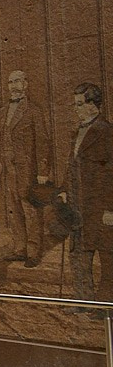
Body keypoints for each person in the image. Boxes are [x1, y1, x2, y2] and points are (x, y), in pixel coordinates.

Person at [60, 82, 113, 300]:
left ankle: (105, 306)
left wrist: (110, 208)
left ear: (93, 105)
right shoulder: (77, 132)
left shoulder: (106, 132)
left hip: (99, 208)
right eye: (75, 104)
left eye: (80, 104)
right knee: (79, 256)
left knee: (108, 258)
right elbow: (71, 165)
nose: (76, 109)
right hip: (77, 207)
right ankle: (84, 301)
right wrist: (63, 189)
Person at [0, 71, 50, 267]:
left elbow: (43, 142)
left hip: (28, 169)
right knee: (13, 208)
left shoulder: (34, 111)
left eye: (17, 81)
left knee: (31, 209)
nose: (13, 86)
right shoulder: (2, 112)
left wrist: (42, 170)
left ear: (26, 84)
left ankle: (33, 251)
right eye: (10, 82)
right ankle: (19, 248)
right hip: (8, 170)